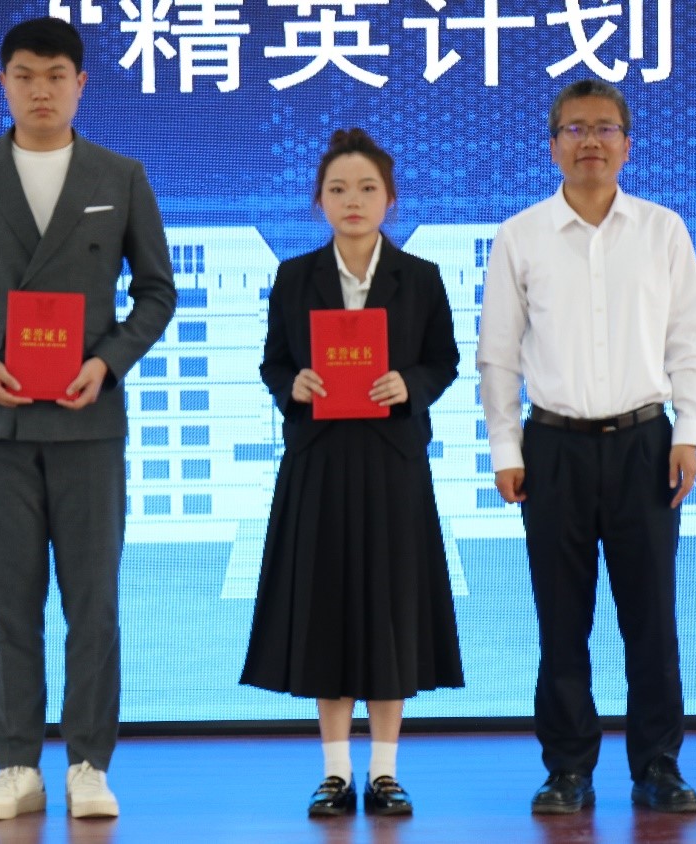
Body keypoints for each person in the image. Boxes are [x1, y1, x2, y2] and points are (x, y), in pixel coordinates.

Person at [0, 17, 176, 821]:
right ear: (3, 83)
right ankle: (17, 765)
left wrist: (108, 362)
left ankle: (90, 763)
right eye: (25, 75)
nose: (41, 90)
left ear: (81, 84)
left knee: (93, 602)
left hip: (86, 418)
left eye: (56, 75)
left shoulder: (119, 174)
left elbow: (157, 292)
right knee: (10, 601)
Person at [477, 79, 696, 815]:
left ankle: (658, 766)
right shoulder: (520, 236)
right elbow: (498, 355)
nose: (590, 142)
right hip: (553, 448)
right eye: (574, 129)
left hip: (647, 444)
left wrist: (689, 431)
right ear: (553, 146)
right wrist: (505, 448)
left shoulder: (663, 230)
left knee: (652, 617)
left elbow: (690, 339)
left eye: (605, 128)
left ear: (627, 145)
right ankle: (568, 769)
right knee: (561, 619)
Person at [240, 128, 464, 818]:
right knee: (327, 612)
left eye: (367, 188)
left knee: (392, 612)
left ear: (390, 199)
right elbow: (274, 362)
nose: (353, 200)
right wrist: (293, 384)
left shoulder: (419, 277)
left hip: (393, 463)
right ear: (320, 202)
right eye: (338, 189)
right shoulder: (294, 277)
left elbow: (445, 360)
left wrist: (410, 385)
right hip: (319, 461)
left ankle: (386, 773)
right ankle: (335, 773)